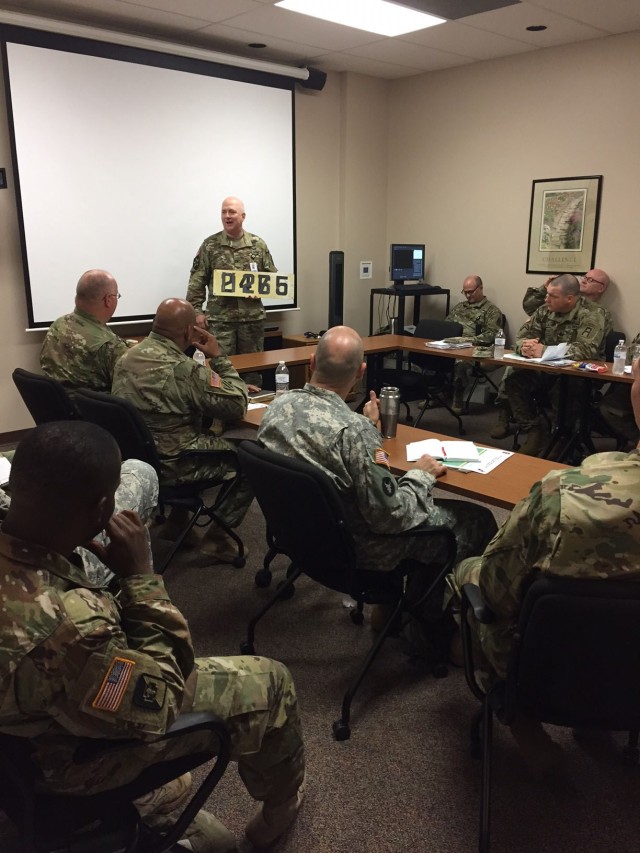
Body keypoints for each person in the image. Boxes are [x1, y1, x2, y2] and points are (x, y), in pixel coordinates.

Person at [0, 421, 305, 850]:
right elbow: (157, 700)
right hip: (61, 766)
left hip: (21, 730)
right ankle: (279, 809)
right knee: (272, 682)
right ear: (101, 508)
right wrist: (142, 579)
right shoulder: (70, 628)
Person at [450, 357, 640, 769]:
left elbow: (497, 593)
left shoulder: (563, 495)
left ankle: (520, 716)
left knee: (468, 571)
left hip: (547, 668)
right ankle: (604, 719)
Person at [257, 325, 496, 576]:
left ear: (312, 362)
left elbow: (320, 436)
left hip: (299, 533)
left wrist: (366, 425)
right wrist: (420, 475)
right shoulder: (355, 432)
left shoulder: (276, 407)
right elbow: (391, 517)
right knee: (477, 519)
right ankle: (429, 604)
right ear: (361, 371)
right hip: (359, 549)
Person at [111, 298, 253, 561]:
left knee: (199, 436)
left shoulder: (126, 357)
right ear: (190, 332)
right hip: (175, 464)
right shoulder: (184, 370)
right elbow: (237, 405)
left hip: (138, 459)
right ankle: (218, 539)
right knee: (252, 457)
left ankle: (178, 525)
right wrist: (219, 358)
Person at [495, 274, 606, 455]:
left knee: (564, 389)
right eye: (547, 294)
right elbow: (523, 335)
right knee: (514, 381)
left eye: (552, 296)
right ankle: (534, 429)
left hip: (577, 374)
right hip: (545, 369)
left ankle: (563, 437)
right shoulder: (545, 309)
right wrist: (524, 347)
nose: (546, 299)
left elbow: (586, 350)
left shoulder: (593, 313)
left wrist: (544, 350)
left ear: (570, 298)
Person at [186, 196, 276, 387]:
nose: (227, 216)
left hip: (251, 321)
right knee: (220, 371)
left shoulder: (257, 245)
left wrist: (259, 289)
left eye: (232, 212)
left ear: (243, 216)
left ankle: (253, 411)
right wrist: (197, 311)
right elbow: (197, 281)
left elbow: (272, 278)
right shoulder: (210, 245)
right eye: (224, 211)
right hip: (220, 322)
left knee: (252, 371)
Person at [40, 269, 129, 392]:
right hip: (93, 410)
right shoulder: (109, 345)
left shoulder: (57, 325)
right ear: (108, 300)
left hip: (57, 406)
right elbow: (130, 389)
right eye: (117, 296)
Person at [444, 275, 504, 413]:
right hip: (453, 345)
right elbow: (445, 325)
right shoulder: (460, 307)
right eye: (465, 292)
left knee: (460, 362)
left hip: (474, 348)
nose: (468, 295)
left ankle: (457, 400)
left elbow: (491, 334)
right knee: (431, 355)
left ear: (481, 288)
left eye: (471, 291)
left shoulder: (491, 311)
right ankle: (436, 395)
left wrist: (467, 341)